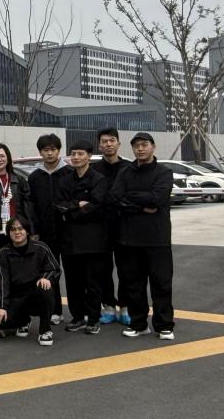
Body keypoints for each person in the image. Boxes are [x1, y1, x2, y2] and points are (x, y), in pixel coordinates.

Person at [108, 132, 176, 340]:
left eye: (144, 145)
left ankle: (164, 325)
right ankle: (138, 324)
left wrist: (132, 199)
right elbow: (115, 198)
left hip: (157, 239)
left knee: (161, 284)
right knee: (133, 284)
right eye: (136, 146)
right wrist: (142, 205)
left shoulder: (164, 172)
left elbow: (157, 199)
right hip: (129, 239)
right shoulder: (125, 172)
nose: (140, 149)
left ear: (153, 147)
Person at [54, 140, 110, 335]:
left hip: (93, 240)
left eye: (80, 154)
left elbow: (97, 207)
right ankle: (77, 317)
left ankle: (93, 319)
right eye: (73, 154)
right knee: (73, 282)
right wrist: (78, 205)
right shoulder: (64, 180)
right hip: (69, 241)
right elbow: (59, 205)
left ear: (89, 156)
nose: (76, 157)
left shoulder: (99, 180)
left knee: (93, 282)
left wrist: (71, 210)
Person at [0, 217, 61, 346]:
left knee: (45, 288)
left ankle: (45, 330)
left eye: (20, 229)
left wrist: (45, 277)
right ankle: (23, 321)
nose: (17, 232)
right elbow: (2, 282)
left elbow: (54, 269)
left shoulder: (41, 247)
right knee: (0, 322)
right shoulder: (3, 253)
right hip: (16, 296)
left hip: (36, 293)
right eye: (13, 229)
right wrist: (1, 307)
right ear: (8, 232)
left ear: (27, 231)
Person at [27, 133, 71, 325]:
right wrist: (33, 230)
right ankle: (55, 311)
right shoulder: (35, 177)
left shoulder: (69, 173)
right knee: (49, 272)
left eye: (53, 149)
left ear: (59, 150)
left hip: (68, 232)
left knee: (73, 273)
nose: (50, 153)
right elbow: (31, 206)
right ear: (40, 152)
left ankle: (80, 313)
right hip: (44, 233)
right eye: (45, 150)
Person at [91, 127, 130, 325]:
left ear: (118, 143)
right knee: (103, 269)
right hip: (100, 227)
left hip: (125, 226)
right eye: (104, 141)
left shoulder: (129, 168)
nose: (108, 144)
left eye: (112, 140)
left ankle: (125, 306)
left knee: (126, 269)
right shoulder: (94, 169)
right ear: (99, 146)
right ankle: (107, 305)